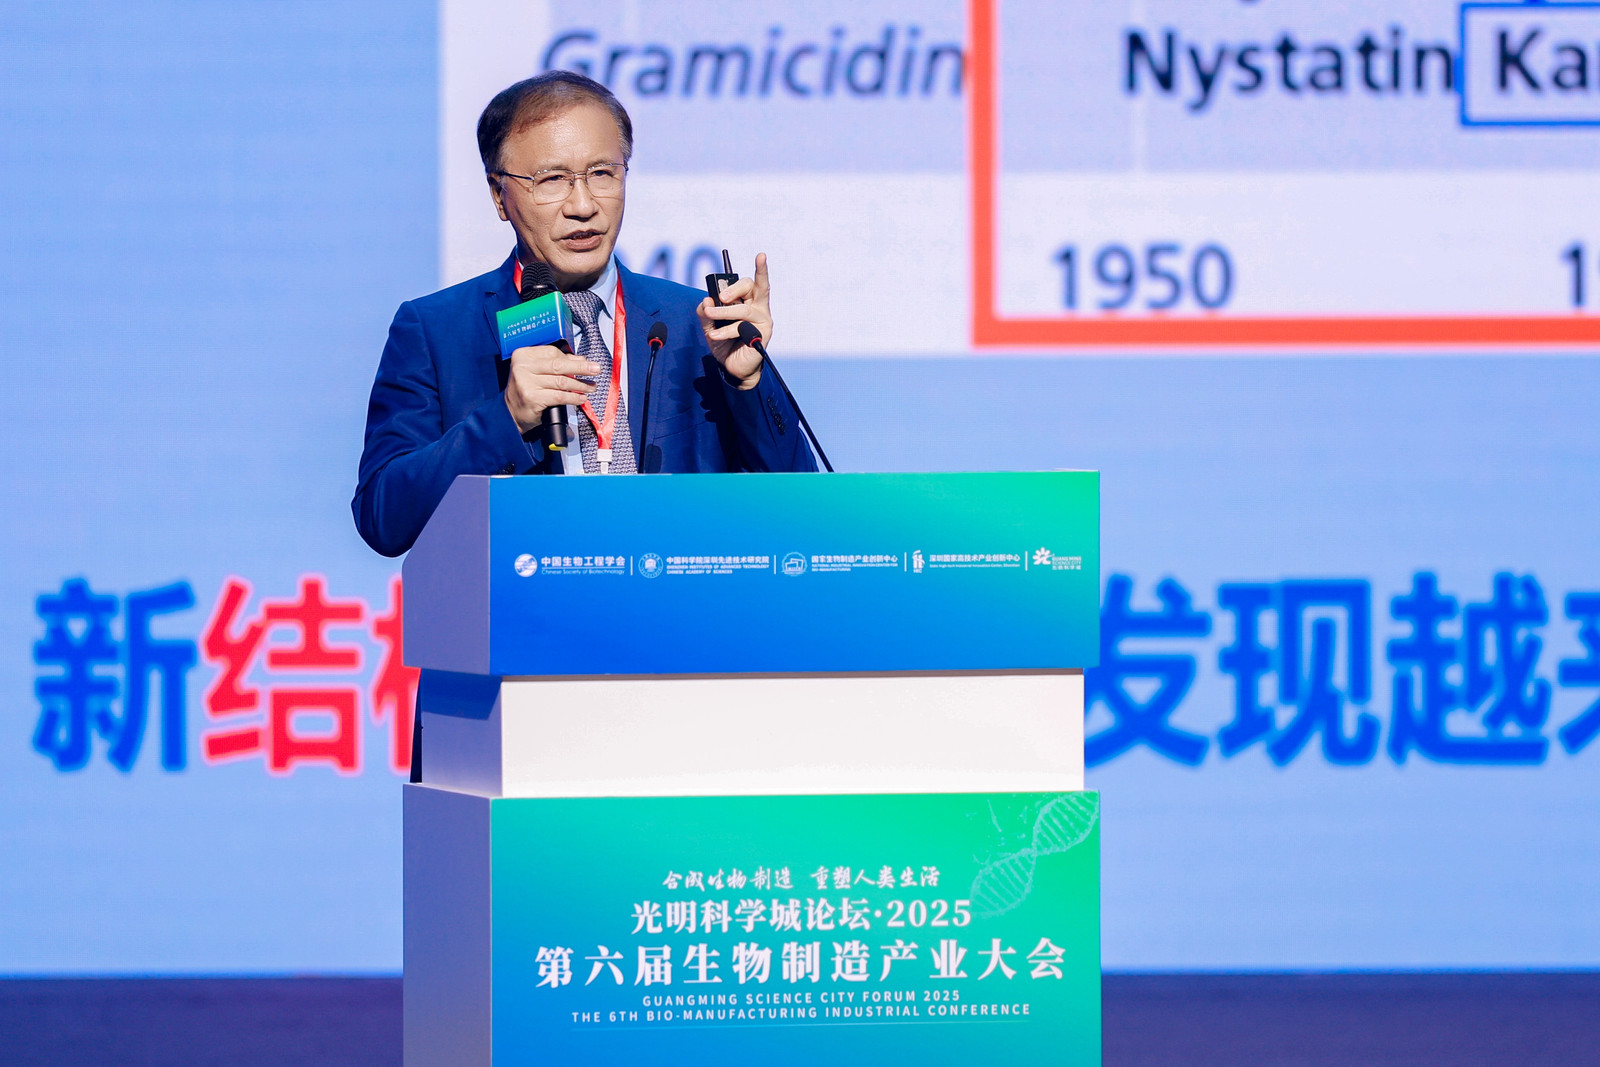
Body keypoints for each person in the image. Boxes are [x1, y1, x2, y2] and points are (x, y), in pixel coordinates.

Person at [352, 71, 816, 558]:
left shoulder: (695, 323)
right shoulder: (435, 331)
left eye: (602, 173)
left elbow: (802, 505)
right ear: (499, 195)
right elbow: (384, 519)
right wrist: (506, 419)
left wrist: (747, 384)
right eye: (552, 180)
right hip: (521, 602)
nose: (583, 205)